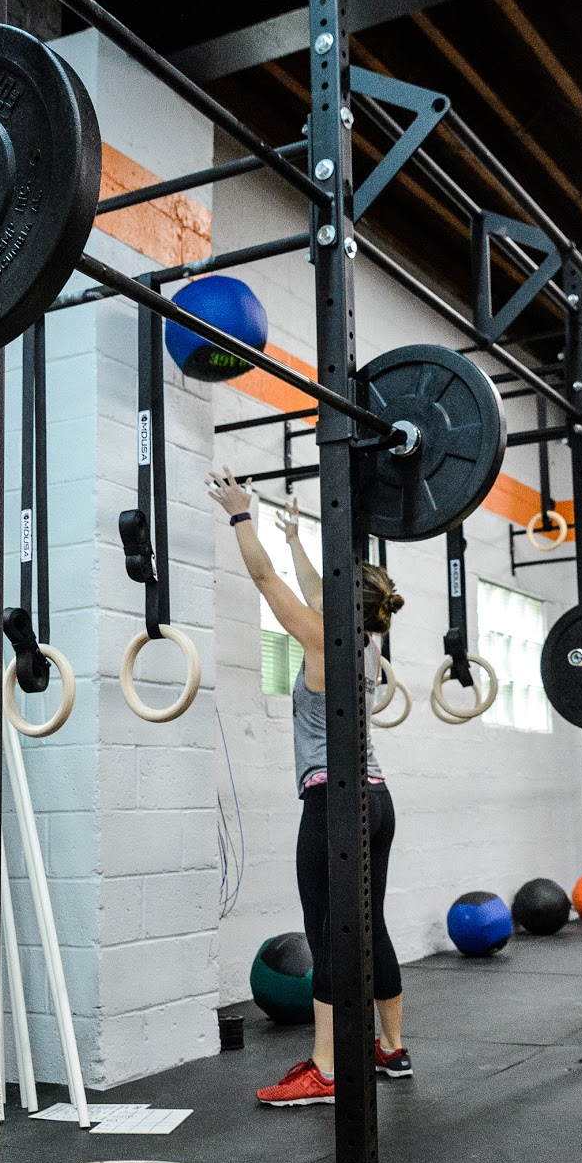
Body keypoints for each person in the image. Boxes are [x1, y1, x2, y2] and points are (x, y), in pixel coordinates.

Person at [207, 472, 410, 1106]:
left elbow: (266, 581)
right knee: (370, 923)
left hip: (333, 803)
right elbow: (317, 590)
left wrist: (242, 515)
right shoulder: (367, 642)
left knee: (325, 932)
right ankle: (391, 1048)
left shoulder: (323, 639)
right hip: (378, 800)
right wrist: (296, 538)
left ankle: (325, 1070)